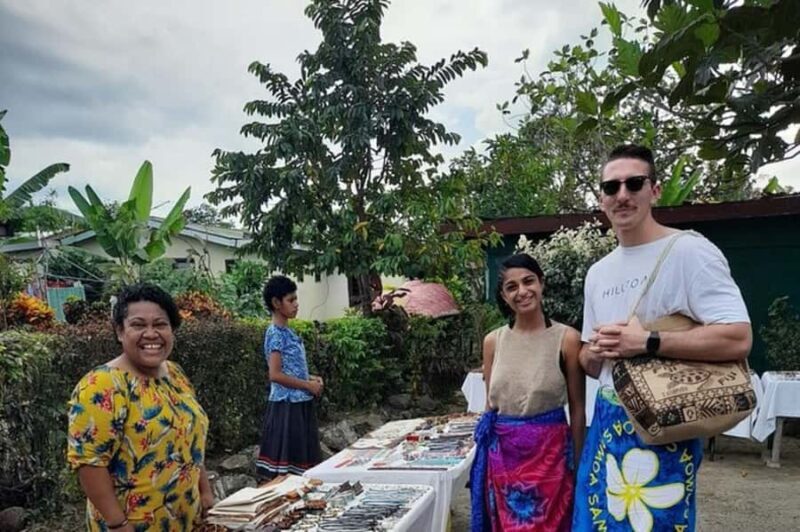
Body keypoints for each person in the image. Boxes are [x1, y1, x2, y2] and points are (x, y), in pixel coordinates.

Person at [572, 145, 752, 531]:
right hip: (606, 422)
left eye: (634, 183)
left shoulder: (689, 251)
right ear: (601, 198)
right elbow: (590, 363)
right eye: (611, 186)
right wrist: (597, 352)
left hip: (662, 422)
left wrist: (648, 341)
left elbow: (738, 338)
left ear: (654, 190)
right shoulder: (598, 273)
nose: (622, 194)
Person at [67, 283, 212, 531]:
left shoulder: (175, 374)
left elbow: (190, 442)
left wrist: (206, 492)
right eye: (138, 325)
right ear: (120, 331)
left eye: (160, 324)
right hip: (131, 524)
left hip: (186, 517)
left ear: (172, 330)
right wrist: (117, 523)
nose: (151, 334)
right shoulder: (100, 386)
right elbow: (90, 464)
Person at [471, 253, 585, 532]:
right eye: (511, 287)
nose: (522, 291)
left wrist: (579, 466)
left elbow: (578, 408)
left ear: (541, 283)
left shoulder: (567, 339)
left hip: (552, 459)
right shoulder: (493, 342)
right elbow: (490, 405)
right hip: (503, 460)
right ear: (504, 295)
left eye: (528, 281)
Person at [255, 275, 323, 480]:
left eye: (296, 299)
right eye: (291, 300)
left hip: (299, 404)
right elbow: (275, 374)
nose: (296, 304)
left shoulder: (288, 332)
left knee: (304, 469)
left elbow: (291, 369)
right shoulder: (275, 334)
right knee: (287, 474)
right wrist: (307, 386)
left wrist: (312, 378)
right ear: (276, 303)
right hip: (287, 407)